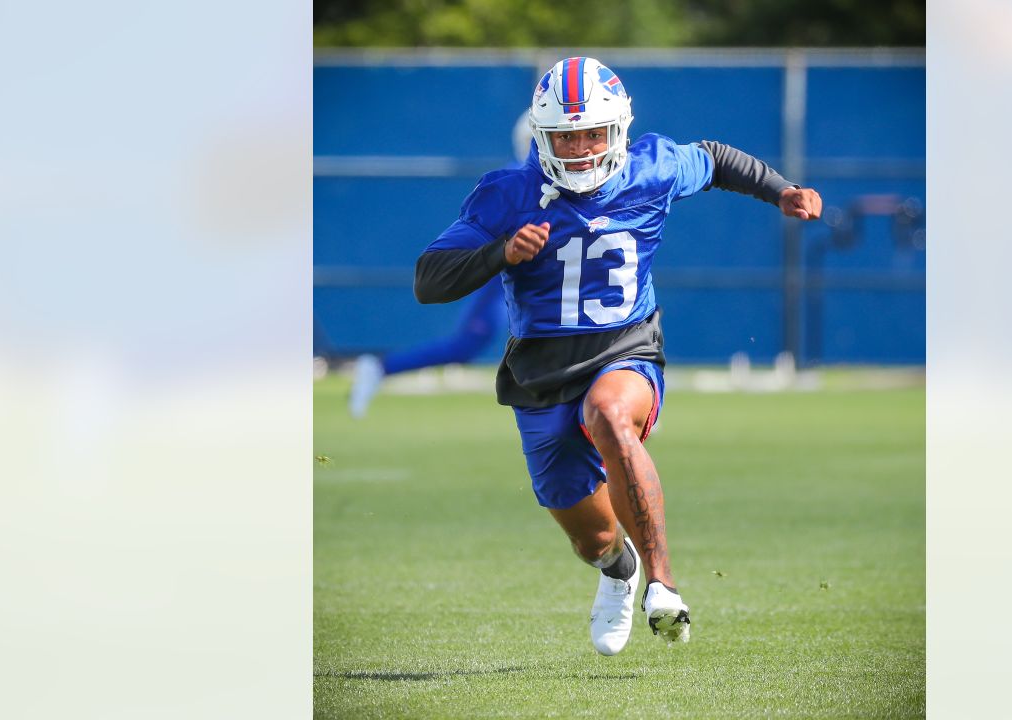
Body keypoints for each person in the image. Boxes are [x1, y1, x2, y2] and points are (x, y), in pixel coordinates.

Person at [413, 57, 822, 655]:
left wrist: (780, 189)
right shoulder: (508, 193)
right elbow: (429, 280)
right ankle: (620, 571)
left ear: (619, 130)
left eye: (592, 134)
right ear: (541, 137)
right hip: (542, 369)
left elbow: (715, 158)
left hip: (625, 346)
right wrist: (501, 253)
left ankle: (663, 586)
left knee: (609, 415)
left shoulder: (650, 166)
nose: (579, 149)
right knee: (591, 538)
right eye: (565, 136)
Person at [348, 111, 535, 419]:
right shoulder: (515, 179)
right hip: (505, 274)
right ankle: (380, 368)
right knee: (467, 345)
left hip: (533, 275)